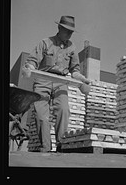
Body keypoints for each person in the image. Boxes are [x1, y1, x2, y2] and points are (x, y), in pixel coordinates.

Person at [22, 16, 91, 152]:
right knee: (42, 116)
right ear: (59, 28)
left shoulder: (72, 48)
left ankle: (61, 146)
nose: (69, 34)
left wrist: (82, 79)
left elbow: (74, 70)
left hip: (61, 82)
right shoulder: (45, 42)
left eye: (71, 31)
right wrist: (29, 67)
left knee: (64, 110)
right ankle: (46, 147)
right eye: (67, 30)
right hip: (42, 81)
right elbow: (32, 61)